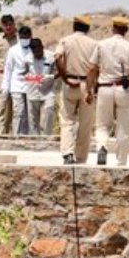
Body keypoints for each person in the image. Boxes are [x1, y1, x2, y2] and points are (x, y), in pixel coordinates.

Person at [89, 15, 129, 167]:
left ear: (113, 28)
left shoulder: (101, 45)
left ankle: (102, 146)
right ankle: (121, 161)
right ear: (126, 30)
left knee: (102, 124)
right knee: (123, 126)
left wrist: (89, 89)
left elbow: (92, 68)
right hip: (123, 88)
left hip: (104, 88)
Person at [54, 15, 98, 164]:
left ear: (74, 26)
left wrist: (64, 77)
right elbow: (96, 67)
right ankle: (80, 157)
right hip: (87, 84)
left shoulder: (66, 41)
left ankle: (67, 152)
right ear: (88, 28)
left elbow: (58, 58)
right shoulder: (94, 44)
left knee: (67, 119)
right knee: (86, 123)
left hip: (70, 82)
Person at [1, 25, 35, 134]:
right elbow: (8, 69)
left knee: (31, 114)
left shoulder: (34, 49)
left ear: (30, 36)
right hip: (16, 86)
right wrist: (5, 87)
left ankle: (29, 136)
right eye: (22, 37)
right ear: (19, 37)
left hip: (31, 86)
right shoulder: (13, 50)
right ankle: (17, 135)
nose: (25, 39)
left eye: (27, 37)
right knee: (19, 113)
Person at [25, 38, 57, 136]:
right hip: (32, 92)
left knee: (48, 113)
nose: (37, 54)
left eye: (39, 51)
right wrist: (32, 78)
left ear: (42, 47)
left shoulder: (51, 57)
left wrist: (49, 77)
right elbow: (23, 74)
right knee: (33, 121)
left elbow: (58, 72)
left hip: (47, 91)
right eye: (35, 52)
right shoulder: (27, 59)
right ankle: (35, 141)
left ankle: (46, 138)